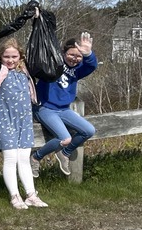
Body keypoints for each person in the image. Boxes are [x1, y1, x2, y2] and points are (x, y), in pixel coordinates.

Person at [0, 5, 48, 210]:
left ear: (20, 57)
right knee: (11, 158)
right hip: (5, 121)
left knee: (24, 158)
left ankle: (31, 195)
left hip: (24, 121)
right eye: (7, 57)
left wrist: (38, 21)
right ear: (1, 57)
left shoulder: (26, 71)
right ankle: (15, 196)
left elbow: (40, 45)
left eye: (14, 57)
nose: (10, 60)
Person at [30, 32, 97, 177]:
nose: (75, 59)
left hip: (64, 110)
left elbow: (92, 66)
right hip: (45, 108)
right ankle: (36, 157)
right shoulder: (53, 64)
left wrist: (88, 53)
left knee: (88, 130)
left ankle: (64, 153)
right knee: (64, 138)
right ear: (63, 53)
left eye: (78, 56)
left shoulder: (78, 70)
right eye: (71, 55)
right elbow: (41, 55)